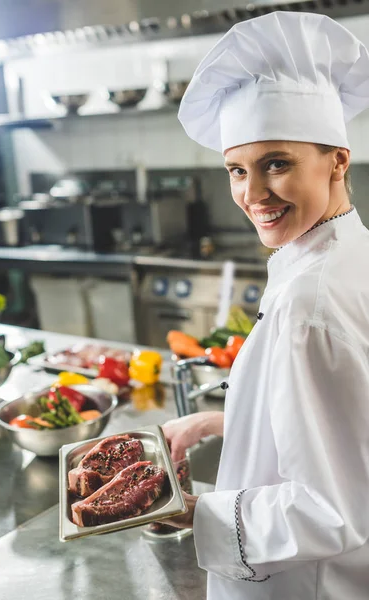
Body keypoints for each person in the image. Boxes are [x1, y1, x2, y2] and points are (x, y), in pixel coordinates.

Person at [162, 11, 369, 600]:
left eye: (276, 163)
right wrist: (226, 422)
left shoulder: (311, 303)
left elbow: (330, 510)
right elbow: (351, 432)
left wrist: (191, 513)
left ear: (337, 160)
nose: (252, 195)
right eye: (236, 169)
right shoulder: (349, 256)